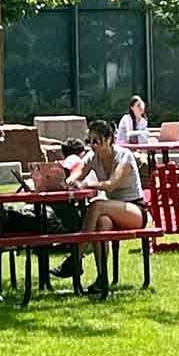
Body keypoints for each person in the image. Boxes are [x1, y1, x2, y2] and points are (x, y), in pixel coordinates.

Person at [64, 119, 146, 296]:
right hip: (112, 211)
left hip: (135, 210)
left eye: (97, 141)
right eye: (90, 141)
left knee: (97, 205)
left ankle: (75, 258)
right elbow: (78, 171)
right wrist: (67, 182)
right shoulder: (93, 157)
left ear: (109, 139)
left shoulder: (124, 156)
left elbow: (111, 185)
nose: (92, 145)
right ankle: (102, 278)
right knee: (102, 222)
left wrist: (86, 186)